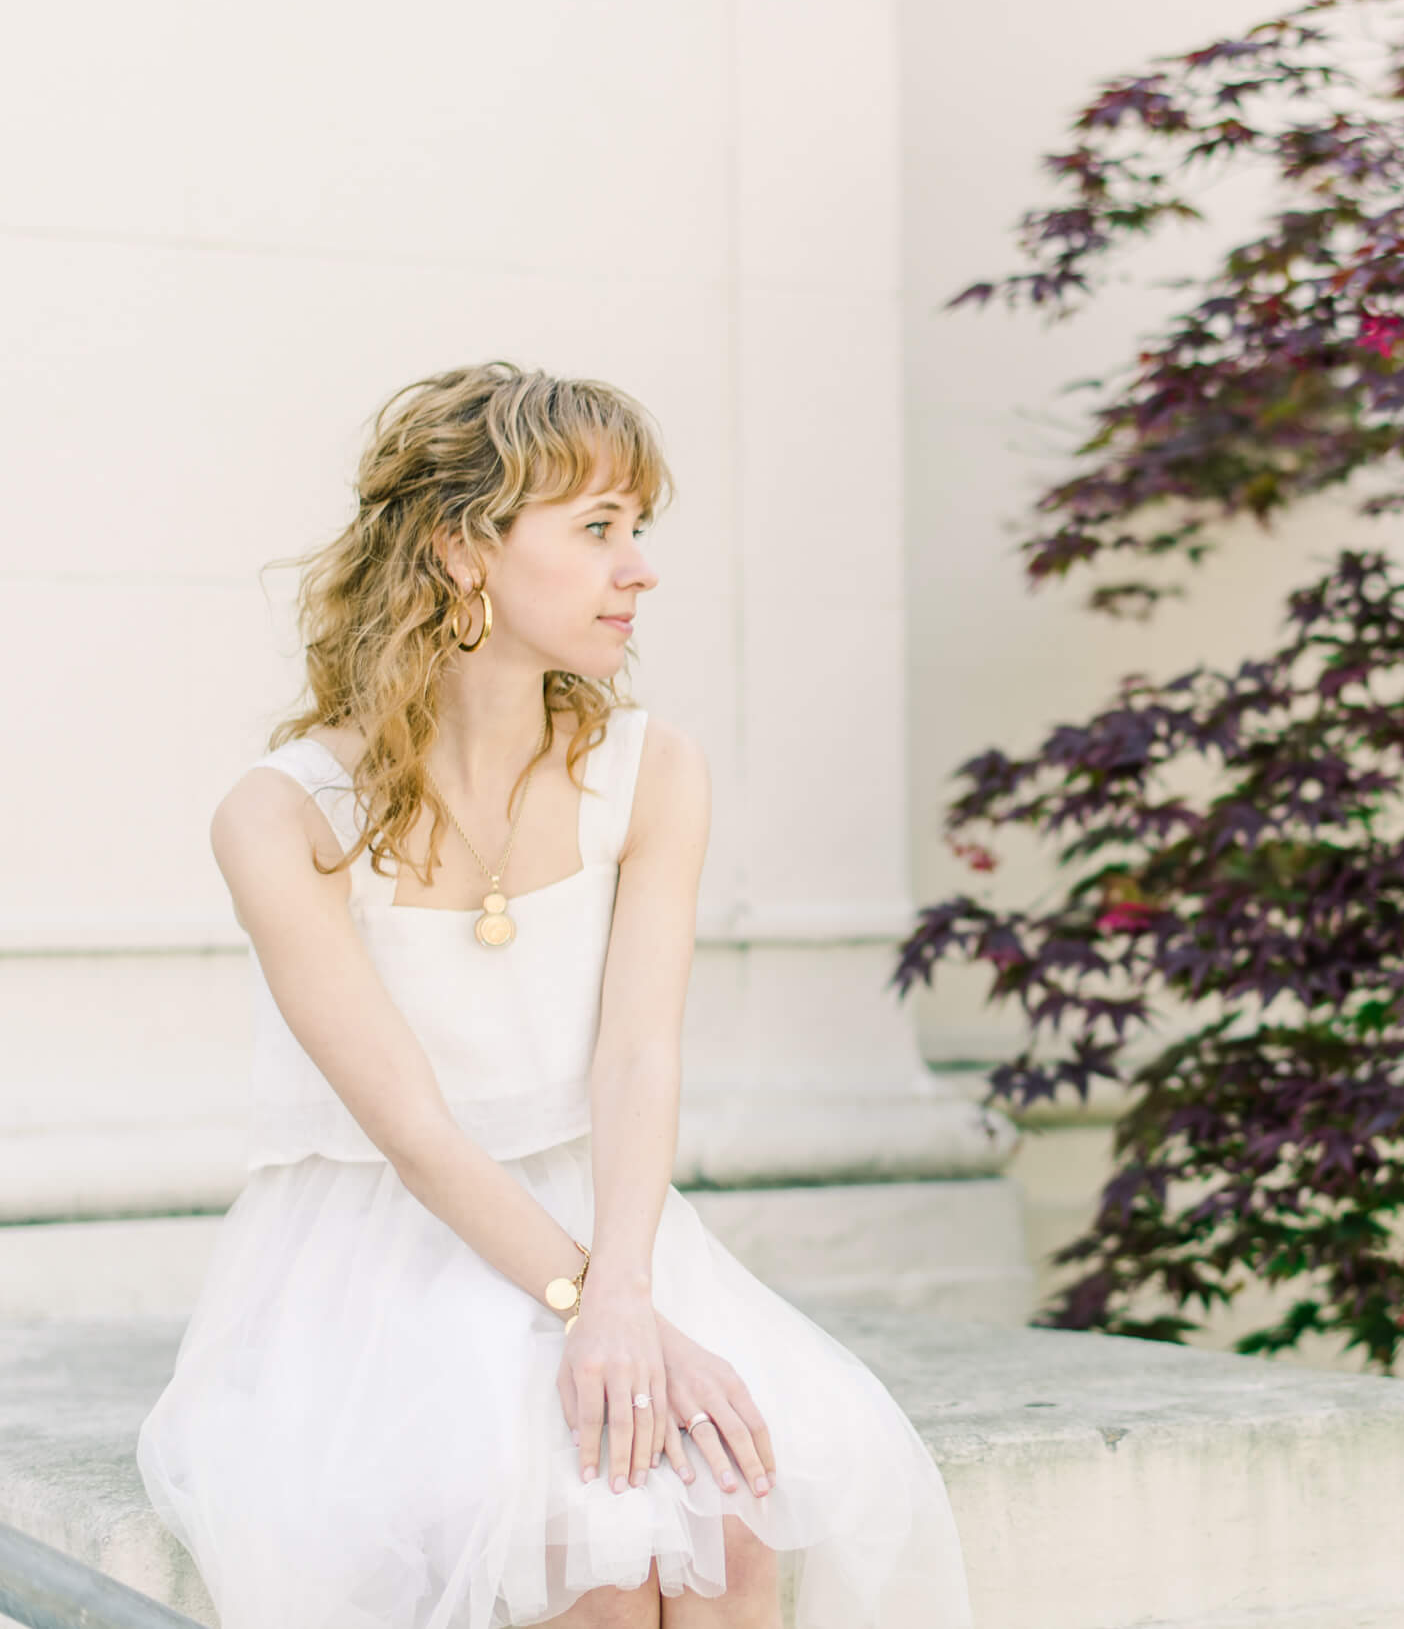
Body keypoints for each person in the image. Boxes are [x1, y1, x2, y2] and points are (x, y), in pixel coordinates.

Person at [136, 362, 975, 1629]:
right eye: (595, 528)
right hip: (382, 1253)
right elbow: (415, 1130)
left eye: (637, 528)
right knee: (589, 1552)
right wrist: (592, 1305)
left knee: (733, 1522)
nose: (637, 570)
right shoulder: (283, 816)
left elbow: (638, 1059)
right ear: (462, 549)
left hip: (615, 1221)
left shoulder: (652, 771)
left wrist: (627, 1292)